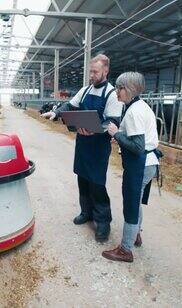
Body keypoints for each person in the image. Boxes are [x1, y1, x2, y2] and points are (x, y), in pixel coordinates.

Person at [41, 54, 123, 241]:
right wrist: (56, 112)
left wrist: (95, 131)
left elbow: (112, 122)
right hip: (82, 144)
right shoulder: (85, 90)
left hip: (98, 146)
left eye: (95, 72)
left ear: (105, 71)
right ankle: (86, 213)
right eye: (90, 72)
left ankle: (103, 223)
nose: (91, 75)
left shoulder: (111, 94)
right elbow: (70, 105)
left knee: (97, 184)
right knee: (83, 180)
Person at [102, 72, 161, 262]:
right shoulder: (139, 106)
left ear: (128, 90)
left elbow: (137, 146)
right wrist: (120, 136)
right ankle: (135, 235)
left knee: (130, 205)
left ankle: (125, 250)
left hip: (140, 163)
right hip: (148, 163)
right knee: (135, 201)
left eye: (119, 88)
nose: (116, 92)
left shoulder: (134, 111)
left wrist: (116, 134)